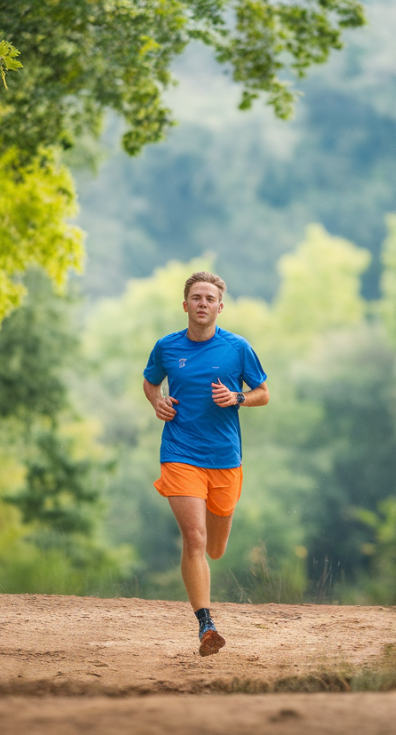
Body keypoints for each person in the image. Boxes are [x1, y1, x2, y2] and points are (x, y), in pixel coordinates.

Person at [142, 271, 270, 657]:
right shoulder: (166, 347)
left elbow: (263, 393)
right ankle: (206, 625)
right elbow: (150, 382)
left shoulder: (237, 348)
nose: (202, 303)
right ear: (185, 305)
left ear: (219, 306)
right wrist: (156, 400)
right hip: (180, 452)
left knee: (215, 547)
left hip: (224, 458)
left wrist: (237, 399)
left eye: (209, 298)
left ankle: (207, 609)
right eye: (196, 297)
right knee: (194, 539)